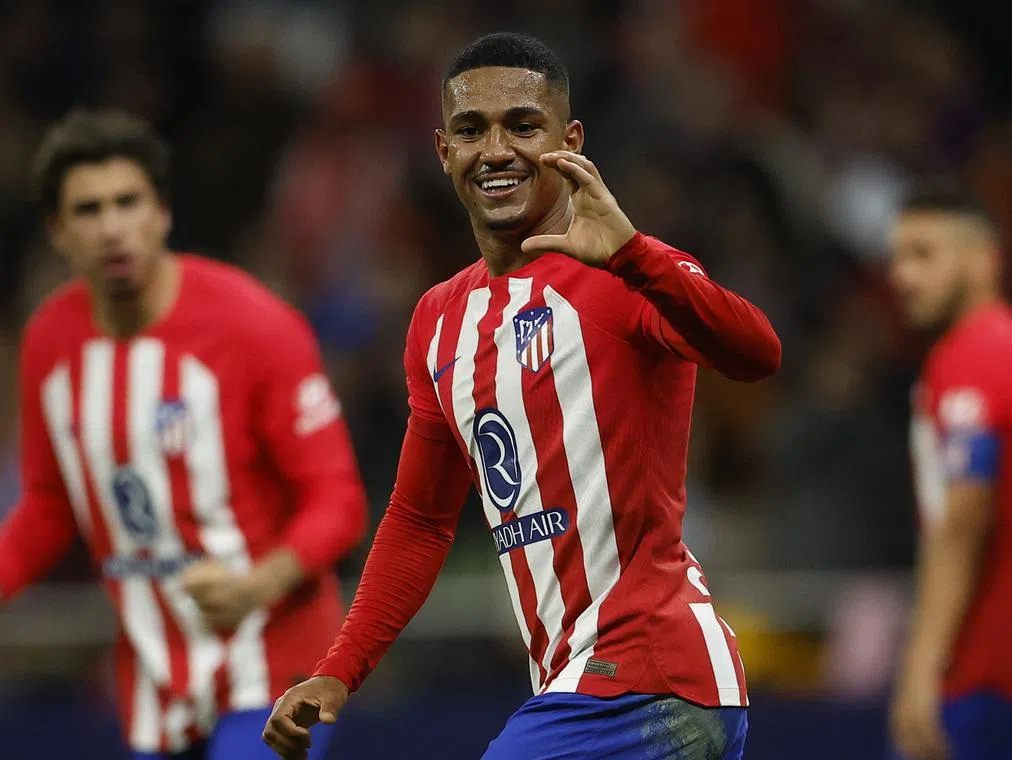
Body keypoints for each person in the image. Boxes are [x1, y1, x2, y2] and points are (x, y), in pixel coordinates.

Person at [264, 32, 780, 760]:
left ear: (570, 143)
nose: (496, 150)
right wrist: (339, 671)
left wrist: (636, 255)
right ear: (444, 150)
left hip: (651, 677)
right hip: (579, 684)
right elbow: (419, 520)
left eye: (523, 126)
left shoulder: (624, 271)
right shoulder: (439, 320)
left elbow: (757, 353)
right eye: (472, 130)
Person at [0, 109, 367, 760]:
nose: (113, 226)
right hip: (156, 686)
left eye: (128, 202)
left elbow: (339, 502)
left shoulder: (257, 326)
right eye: (88, 210)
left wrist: (258, 585)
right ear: (57, 231)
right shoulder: (51, 341)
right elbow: (50, 503)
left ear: (162, 212)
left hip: (278, 672)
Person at [888, 184, 1012, 760]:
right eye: (897, 257)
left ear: (983, 259)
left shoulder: (975, 353)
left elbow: (963, 516)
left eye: (924, 254)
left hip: (982, 670)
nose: (903, 275)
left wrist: (922, 664)